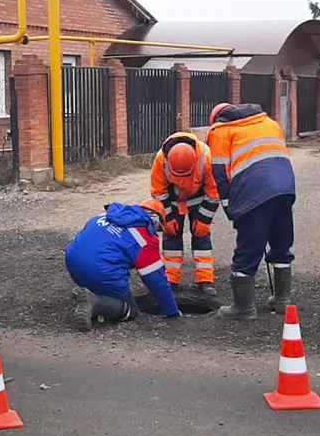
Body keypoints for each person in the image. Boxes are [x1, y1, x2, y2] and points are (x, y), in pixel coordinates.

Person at [205, 102, 296, 320]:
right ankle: (282, 300)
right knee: (281, 240)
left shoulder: (221, 131)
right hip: (285, 186)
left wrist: (231, 209)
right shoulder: (269, 123)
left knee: (249, 245)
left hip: (253, 189)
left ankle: (243, 308)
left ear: (218, 119)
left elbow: (219, 173)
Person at [65, 198, 182, 332]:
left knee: (100, 269)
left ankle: (89, 290)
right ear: (156, 221)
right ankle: (95, 302)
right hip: (101, 271)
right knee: (130, 310)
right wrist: (171, 310)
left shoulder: (107, 215)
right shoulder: (145, 238)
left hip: (72, 259)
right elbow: (156, 280)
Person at [150, 131, 221, 296]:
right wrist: (167, 218)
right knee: (171, 237)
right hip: (172, 201)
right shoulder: (161, 159)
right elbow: (158, 192)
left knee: (201, 237)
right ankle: (171, 279)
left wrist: (204, 219)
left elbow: (214, 192)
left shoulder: (206, 157)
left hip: (199, 199)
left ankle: (205, 280)